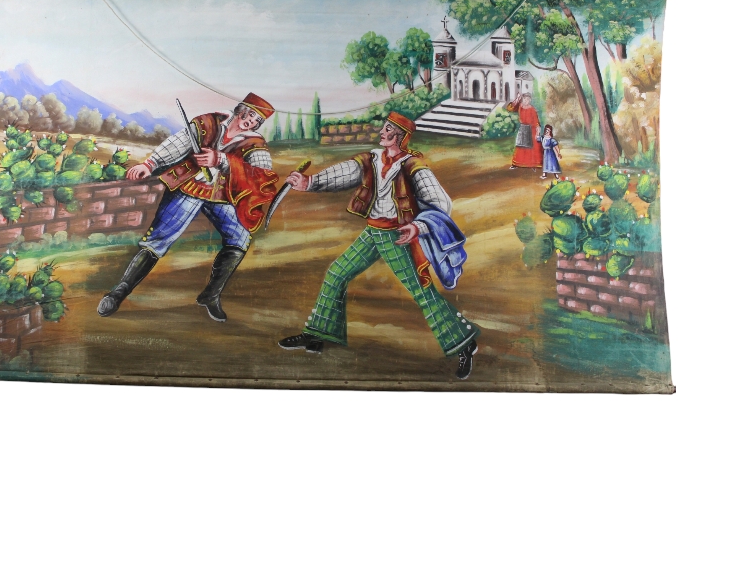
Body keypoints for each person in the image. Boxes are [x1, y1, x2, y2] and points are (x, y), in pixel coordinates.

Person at [276, 111, 480, 379]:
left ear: (400, 137)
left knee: (422, 292)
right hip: (373, 232)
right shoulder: (373, 158)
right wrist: (310, 182)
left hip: (396, 236)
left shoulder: (413, 166)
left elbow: (442, 203)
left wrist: (418, 226)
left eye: (388, 130)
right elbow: (344, 172)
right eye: (384, 128)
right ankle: (317, 334)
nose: (382, 132)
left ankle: (464, 342)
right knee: (337, 273)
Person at [97, 93, 278, 322]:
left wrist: (222, 161)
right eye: (250, 114)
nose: (250, 121)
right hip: (190, 187)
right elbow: (178, 144)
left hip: (221, 196)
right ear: (240, 109)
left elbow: (262, 176)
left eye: (256, 120)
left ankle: (211, 296)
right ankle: (118, 293)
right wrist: (149, 164)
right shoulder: (208, 123)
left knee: (240, 238)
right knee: (158, 240)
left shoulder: (255, 144)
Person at [510, 96, 543, 169]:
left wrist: (537, 132)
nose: (526, 100)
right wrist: (517, 99)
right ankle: (517, 164)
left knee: (533, 147)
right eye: (524, 99)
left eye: (528, 99)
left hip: (532, 130)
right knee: (520, 145)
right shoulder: (520, 107)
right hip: (523, 128)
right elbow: (510, 108)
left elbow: (536, 121)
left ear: (530, 100)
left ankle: (533, 164)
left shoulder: (532, 109)